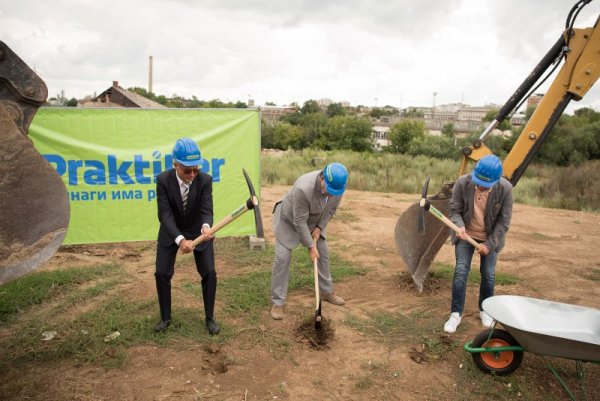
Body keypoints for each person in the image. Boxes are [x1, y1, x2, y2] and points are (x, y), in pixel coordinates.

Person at [154, 137, 220, 335]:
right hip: (171, 231)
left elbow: (207, 208)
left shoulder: (205, 180)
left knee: (210, 272)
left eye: (195, 169)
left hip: (198, 230)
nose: (192, 174)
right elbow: (164, 214)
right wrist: (180, 240)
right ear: (175, 165)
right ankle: (165, 317)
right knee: (161, 273)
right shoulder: (163, 180)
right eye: (187, 170)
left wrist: (206, 227)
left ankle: (210, 317)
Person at [443, 154, 513, 334]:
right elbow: (455, 211)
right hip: (465, 235)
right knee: (460, 271)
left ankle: (485, 310)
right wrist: (460, 227)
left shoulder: (505, 189)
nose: (480, 186)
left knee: (488, 274)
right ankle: (455, 314)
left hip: (490, 238)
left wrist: (489, 245)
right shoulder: (462, 183)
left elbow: (503, 223)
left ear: (496, 180)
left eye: (485, 184)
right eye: (478, 181)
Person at [270, 162, 349, 320]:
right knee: (282, 258)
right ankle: (277, 302)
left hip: (314, 222)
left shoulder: (338, 186)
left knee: (323, 254)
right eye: (329, 190)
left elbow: (332, 210)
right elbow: (299, 222)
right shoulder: (303, 188)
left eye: (335, 192)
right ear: (322, 178)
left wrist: (320, 227)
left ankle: (326, 292)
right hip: (290, 221)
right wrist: (311, 247)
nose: (331, 194)